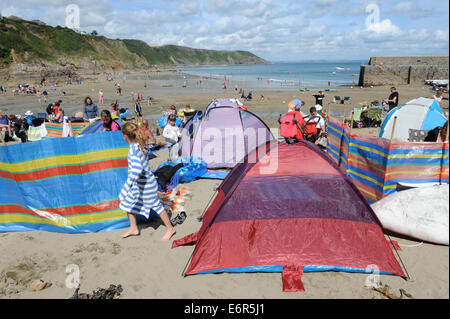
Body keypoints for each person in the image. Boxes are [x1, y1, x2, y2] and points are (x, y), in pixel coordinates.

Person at [119, 122, 176, 240]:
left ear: (124, 136)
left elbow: (136, 170)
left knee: (156, 205)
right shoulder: (140, 145)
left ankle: (170, 228)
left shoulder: (134, 150)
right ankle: (133, 228)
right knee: (128, 203)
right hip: (140, 184)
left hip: (146, 185)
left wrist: (125, 189)